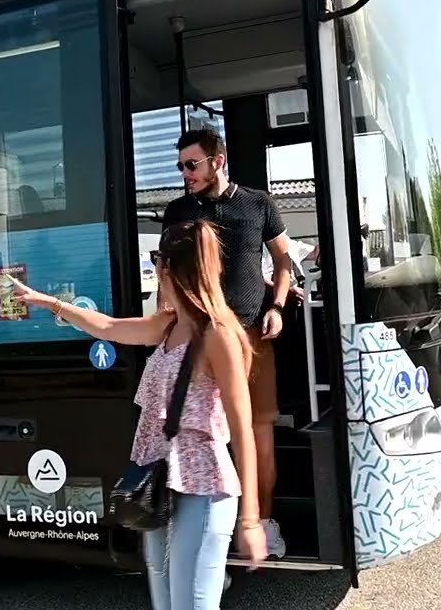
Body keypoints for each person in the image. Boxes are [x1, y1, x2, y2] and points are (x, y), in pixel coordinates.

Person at [7, 219, 268, 610]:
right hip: (160, 483)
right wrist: (53, 305)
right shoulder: (168, 326)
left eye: (157, 262)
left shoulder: (216, 335)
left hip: (204, 487)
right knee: (165, 604)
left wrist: (250, 520)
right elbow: (109, 327)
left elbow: (242, 429)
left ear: (170, 270)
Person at [161, 128, 293, 559]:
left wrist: (276, 306)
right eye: (181, 165)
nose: (185, 173)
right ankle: (210, 531)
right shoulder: (178, 211)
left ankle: (262, 522)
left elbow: (283, 262)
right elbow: (167, 275)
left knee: (256, 436)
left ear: (218, 161)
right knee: (203, 437)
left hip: (252, 337)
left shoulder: (258, 204)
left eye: (191, 164)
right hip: (199, 342)